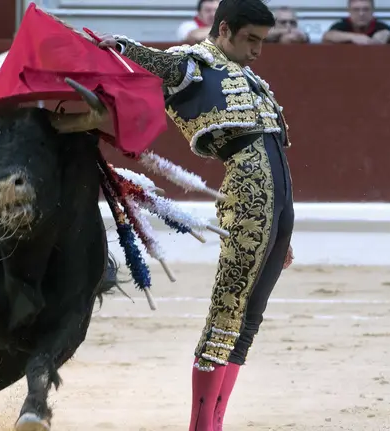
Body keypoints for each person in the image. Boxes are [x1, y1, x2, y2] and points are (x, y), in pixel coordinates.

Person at [95, 0, 295, 429]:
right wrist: (123, 45)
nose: (258, 51)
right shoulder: (194, 62)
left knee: (250, 314)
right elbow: (158, 63)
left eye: (262, 42)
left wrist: (281, 228)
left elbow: (272, 148)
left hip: (277, 202)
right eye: (250, 40)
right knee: (228, 308)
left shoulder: (247, 75)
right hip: (248, 192)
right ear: (224, 30)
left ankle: (215, 423)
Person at [322, 0, 390, 45]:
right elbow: (328, 35)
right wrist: (353, 37)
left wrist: (387, 34)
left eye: (366, 9)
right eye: (356, 10)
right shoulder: (341, 25)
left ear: (372, 11)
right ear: (349, 11)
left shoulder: (380, 27)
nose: (361, 14)